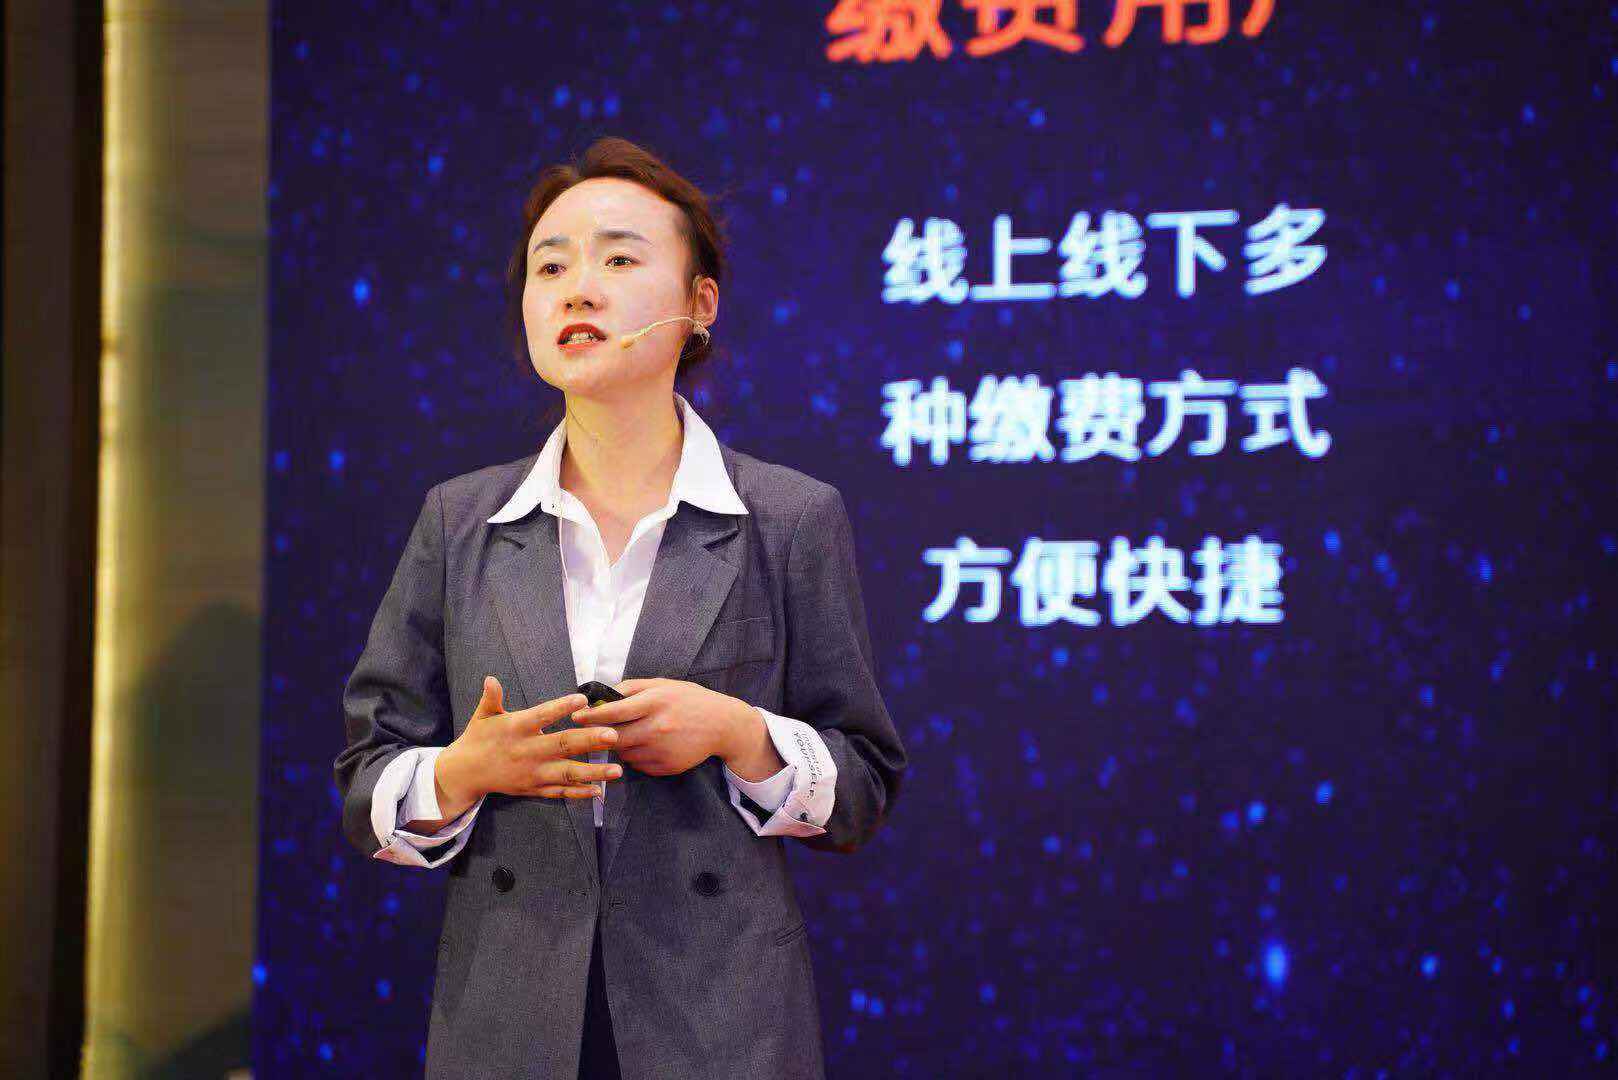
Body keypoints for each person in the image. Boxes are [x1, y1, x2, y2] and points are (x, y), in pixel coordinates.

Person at [334, 136, 907, 1079]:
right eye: (550, 266)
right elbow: (366, 776)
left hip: (721, 1023)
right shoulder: (461, 520)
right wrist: (464, 771)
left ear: (699, 305)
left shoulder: (788, 518)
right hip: (508, 1017)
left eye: (619, 259)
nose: (579, 290)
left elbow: (863, 787)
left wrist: (737, 732)